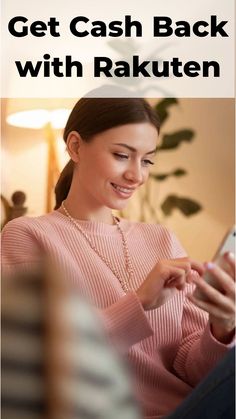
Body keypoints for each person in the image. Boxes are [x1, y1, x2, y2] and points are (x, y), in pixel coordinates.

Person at [2, 88, 235, 419]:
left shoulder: (162, 239)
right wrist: (139, 302)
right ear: (75, 146)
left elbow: (194, 371)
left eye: (147, 160)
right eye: (122, 155)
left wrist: (222, 327)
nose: (136, 175)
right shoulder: (28, 235)